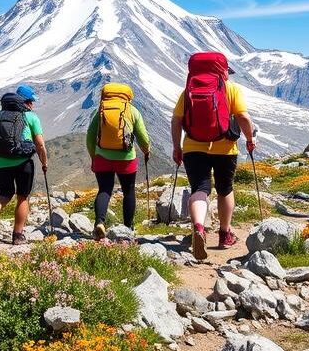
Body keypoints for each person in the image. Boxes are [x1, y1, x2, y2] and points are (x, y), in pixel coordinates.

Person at [171, 52, 255, 260]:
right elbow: (243, 117)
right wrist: (250, 139)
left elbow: (176, 120)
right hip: (225, 148)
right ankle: (225, 234)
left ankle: (199, 227)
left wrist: (176, 147)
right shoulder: (231, 89)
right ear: (223, 70)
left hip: (193, 147)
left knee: (200, 189)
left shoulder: (188, 91)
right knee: (225, 189)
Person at [0, 85, 48, 245]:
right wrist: (44, 162)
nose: (32, 104)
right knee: (22, 197)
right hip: (22, 162)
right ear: (25, 102)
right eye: (31, 101)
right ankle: (18, 235)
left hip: (0, 162)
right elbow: (39, 144)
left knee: (5, 192)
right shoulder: (31, 117)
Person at [86, 83, 151, 239]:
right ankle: (128, 227)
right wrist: (146, 150)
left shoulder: (100, 110)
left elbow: (90, 136)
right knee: (128, 191)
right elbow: (142, 137)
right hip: (126, 158)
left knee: (104, 190)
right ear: (128, 96)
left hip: (102, 157)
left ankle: (99, 223)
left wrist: (94, 156)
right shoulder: (132, 111)